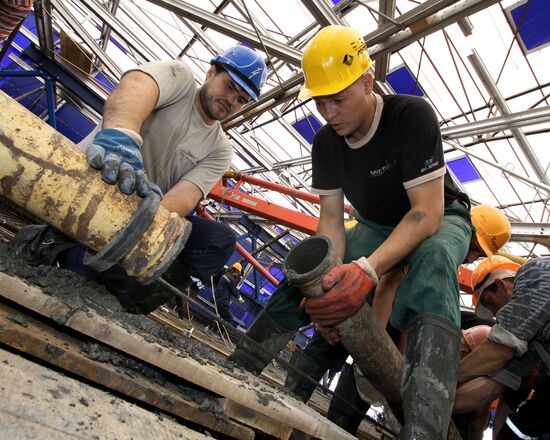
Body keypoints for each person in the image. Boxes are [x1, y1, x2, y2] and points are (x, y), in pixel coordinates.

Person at [231, 25, 475, 439]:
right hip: (375, 225)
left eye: (338, 100)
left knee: (433, 262)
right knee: (304, 277)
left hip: (439, 214)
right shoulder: (326, 142)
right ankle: (239, 373)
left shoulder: (410, 115)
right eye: (321, 102)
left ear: (367, 82)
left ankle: (425, 427)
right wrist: (325, 282)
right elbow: (330, 223)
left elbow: (426, 213)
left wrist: (366, 271)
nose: (329, 113)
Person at [13, 45, 268, 314]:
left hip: (135, 216)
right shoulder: (178, 79)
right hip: (92, 183)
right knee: (91, 267)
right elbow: (137, 86)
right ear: (211, 72)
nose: (232, 100)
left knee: (219, 238)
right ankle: (59, 250)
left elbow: (186, 195)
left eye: (241, 99)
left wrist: (144, 223)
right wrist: (122, 135)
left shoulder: (220, 149)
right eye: (229, 87)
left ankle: (118, 291)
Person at [454, 255, 550, 439]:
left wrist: (442, 380)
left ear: (501, 284)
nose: (494, 314)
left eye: (490, 303)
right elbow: (492, 385)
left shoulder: (534, 271)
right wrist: (437, 403)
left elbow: (499, 350)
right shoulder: (529, 342)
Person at [213, 262, 245, 327]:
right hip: (222, 301)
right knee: (229, 318)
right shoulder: (230, 279)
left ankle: (214, 328)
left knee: (221, 316)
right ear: (236, 272)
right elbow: (234, 290)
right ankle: (218, 332)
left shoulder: (225, 274)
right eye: (238, 274)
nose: (237, 275)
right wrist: (240, 298)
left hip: (218, 298)